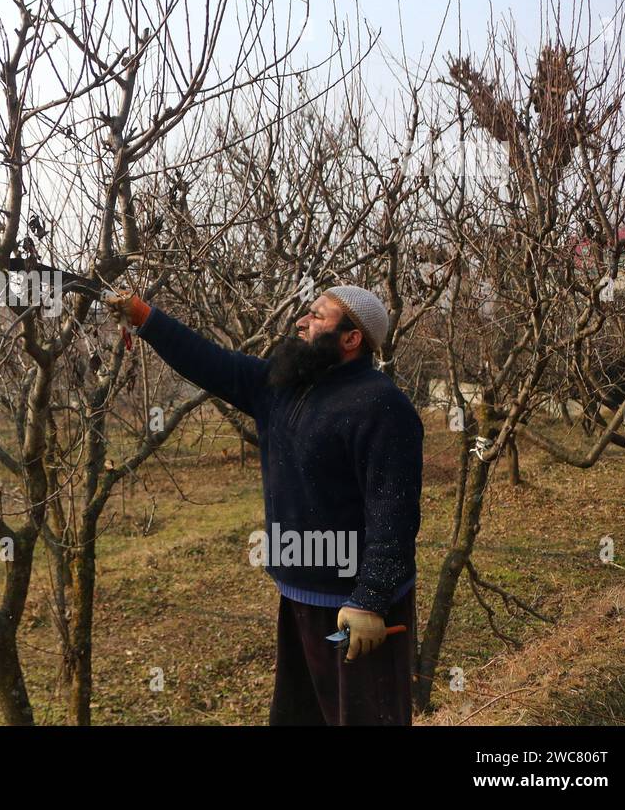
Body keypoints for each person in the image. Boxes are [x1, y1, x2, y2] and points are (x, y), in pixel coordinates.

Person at [105, 285, 423, 725]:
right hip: (299, 596)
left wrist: (371, 599)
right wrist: (145, 317)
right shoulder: (283, 386)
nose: (301, 321)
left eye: (317, 316)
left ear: (352, 339)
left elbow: (395, 515)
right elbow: (208, 360)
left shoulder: (382, 406)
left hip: (355, 610)